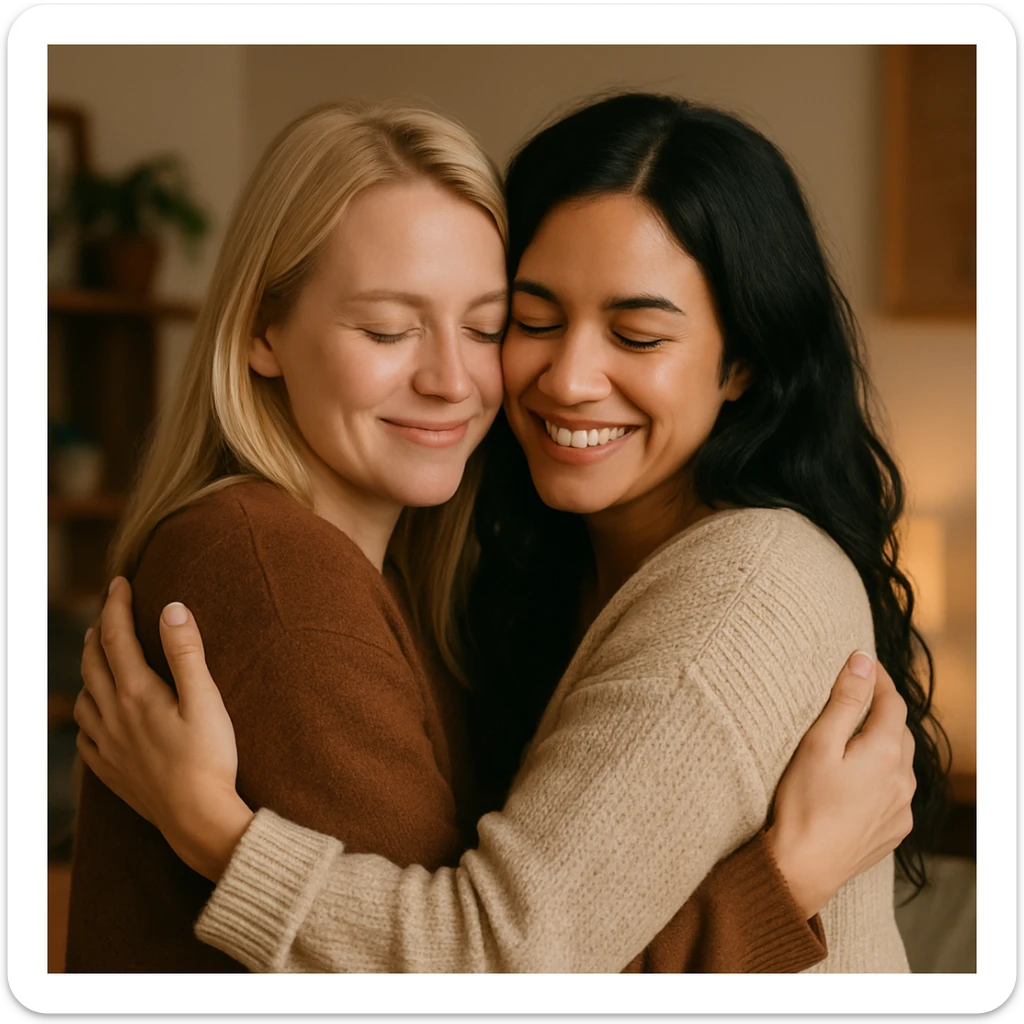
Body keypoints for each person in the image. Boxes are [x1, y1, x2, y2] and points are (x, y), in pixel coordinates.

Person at [74, 94, 934, 973]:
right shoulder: (294, 567)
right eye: (531, 322)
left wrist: (217, 835)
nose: (566, 378)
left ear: (742, 362)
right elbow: (495, 965)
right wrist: (781, 885)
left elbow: (491, 963)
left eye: (637, 335)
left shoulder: (737, 583)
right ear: (261, 328)